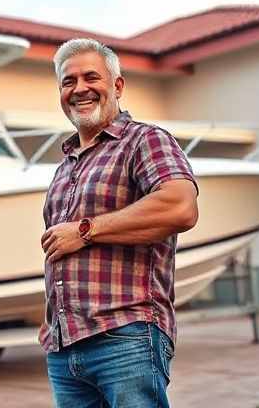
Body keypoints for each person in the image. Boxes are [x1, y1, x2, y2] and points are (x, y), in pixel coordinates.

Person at [40, 38, 199, 407]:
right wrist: (51, 320)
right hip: (65, 347)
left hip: (125, 336)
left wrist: (85, 230)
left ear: (117, 86)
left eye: (91, 77)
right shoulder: (66, 166)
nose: (79, 88)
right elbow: (59, 251)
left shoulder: (145, 140)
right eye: (68, 81)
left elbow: (180, 207)